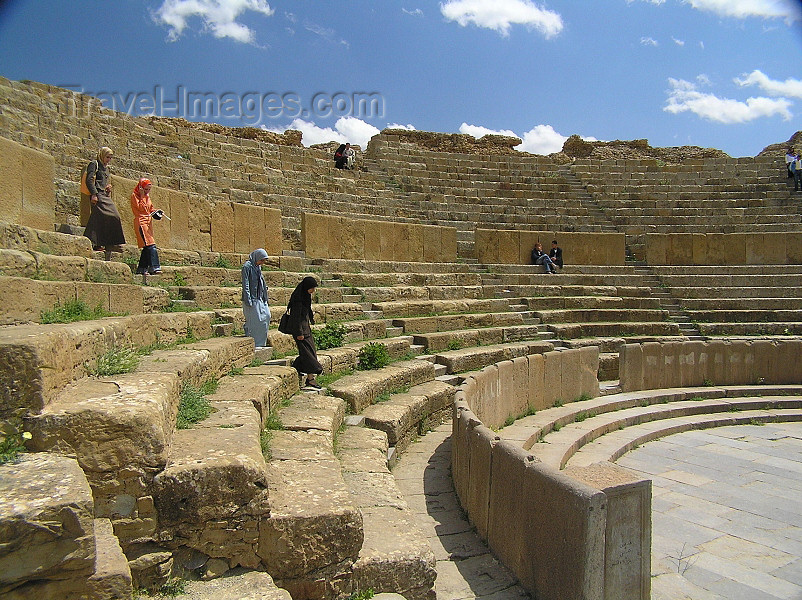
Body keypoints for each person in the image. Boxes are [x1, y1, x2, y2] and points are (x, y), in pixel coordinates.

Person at [82, 147, 125, 260]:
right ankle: (108, 242)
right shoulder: (94, 164)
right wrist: (94, 194)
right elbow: (89, 180)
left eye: (110, 158)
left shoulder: (106, 168)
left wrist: (107, 188)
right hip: (97, 195)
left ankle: (100, 243)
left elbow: (102, 182)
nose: (109, 160)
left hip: (104, 194)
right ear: (102, 155)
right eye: (107, 157)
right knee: (113, 215)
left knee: (100, 217)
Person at [285, 276, 323, 389]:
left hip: (306, 330)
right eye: (312, 288)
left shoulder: (305, 297)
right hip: (300, 331)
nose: (313, 291)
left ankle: (297, 367)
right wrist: (299, 333)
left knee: (309, 352)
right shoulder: (298, 300)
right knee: (308, 354)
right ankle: (311, 378)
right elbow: (296, 318)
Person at [130, 178, 163, 277]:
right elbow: (141, 208)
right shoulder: (135, 196)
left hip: (148, 224)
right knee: (150, 245)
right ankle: (155, 267)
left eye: (149, 190)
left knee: (146, 246)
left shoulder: (147, 196)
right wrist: (142, 195)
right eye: (146, 189)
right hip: (141, 223)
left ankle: (142, 268)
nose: (147, 192)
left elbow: (150, 208)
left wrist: (157, 211)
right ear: (141, 187)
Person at [241, 248, 271, 347]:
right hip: (251, 298)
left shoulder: (257, 267)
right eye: (261, 260)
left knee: (266, 316)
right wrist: (248, 299)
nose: (262, 262)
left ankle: (261, 342)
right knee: (255, 319)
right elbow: (246, 284)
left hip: (259, 297)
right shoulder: (247, 267)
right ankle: (255, 341)